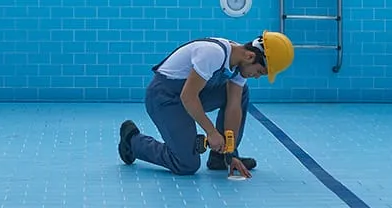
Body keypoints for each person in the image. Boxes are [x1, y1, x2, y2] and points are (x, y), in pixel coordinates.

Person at [118, 32, 294, 178]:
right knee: (186, 164)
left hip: (192, 94)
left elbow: (233, 106)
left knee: (241, 92)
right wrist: (211, 132)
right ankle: (132, 141)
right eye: (260, 72)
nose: (256, 76)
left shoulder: (239, 64)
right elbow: (188, 96)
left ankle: (220, 157)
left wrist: (230, 151)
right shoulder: (213, 53)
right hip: (165, 98)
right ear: (250, 56)